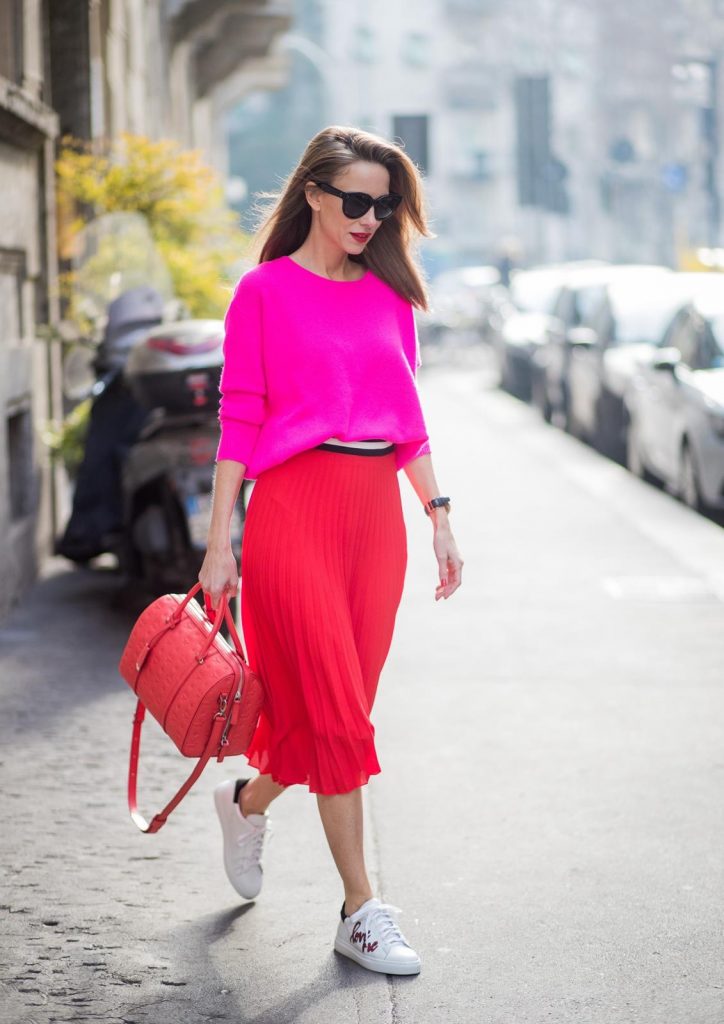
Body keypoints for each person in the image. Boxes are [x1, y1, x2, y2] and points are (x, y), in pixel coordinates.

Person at [198, 125, 464, 977]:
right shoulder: (264, 293)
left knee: (324, 711)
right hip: (292, 512)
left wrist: (439, 516)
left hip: (372, 518)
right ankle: (361, 909)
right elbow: (238, 424)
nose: (370, 217)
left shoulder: (391, 296)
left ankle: (246, 802)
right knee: (342, 715)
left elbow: (407, 418)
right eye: (355, 200)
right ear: (313, 193)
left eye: (384, 205)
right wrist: (218, 547)